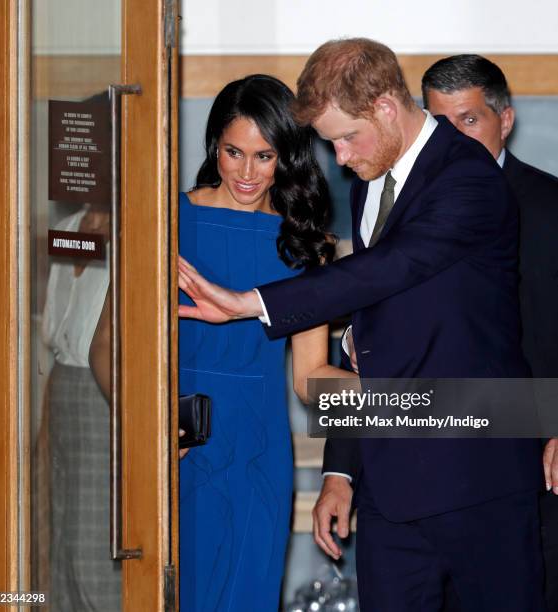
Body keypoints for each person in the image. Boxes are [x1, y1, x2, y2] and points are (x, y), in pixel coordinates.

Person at [178, 39, 547, 611]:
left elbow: (382, 272)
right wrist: (341, 473)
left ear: (384, 106)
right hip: (390, 489)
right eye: (330, 143)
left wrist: (251, 302)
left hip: (479, 475)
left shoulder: (469, 175)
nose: (340, 156)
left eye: (346, 137)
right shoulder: (368, 180)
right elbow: (369, 347)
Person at [92, 73, 356, 612]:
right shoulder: (164, 221)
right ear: (215, 144)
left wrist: (403, 395)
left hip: (258, 454)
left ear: (287, 156)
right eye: (235, 152)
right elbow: (105, 349)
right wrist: (151, 427)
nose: (247, 172)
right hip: (172, 450)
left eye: (265, 156)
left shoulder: (307, 245)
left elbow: (308, 378)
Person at [421, 53, 558, 612]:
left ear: (506, 119)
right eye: (440, 124)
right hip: (432, 463)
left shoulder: (552, 206)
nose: (452, 139)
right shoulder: (401, 213)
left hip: (539, 460)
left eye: (468, 120)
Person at [41, 202, 120, 612]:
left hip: (102, 385)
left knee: (91, 531)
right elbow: (55, 324)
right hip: (63, 382)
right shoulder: (68, 227)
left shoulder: (131, 227)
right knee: (59, 524)